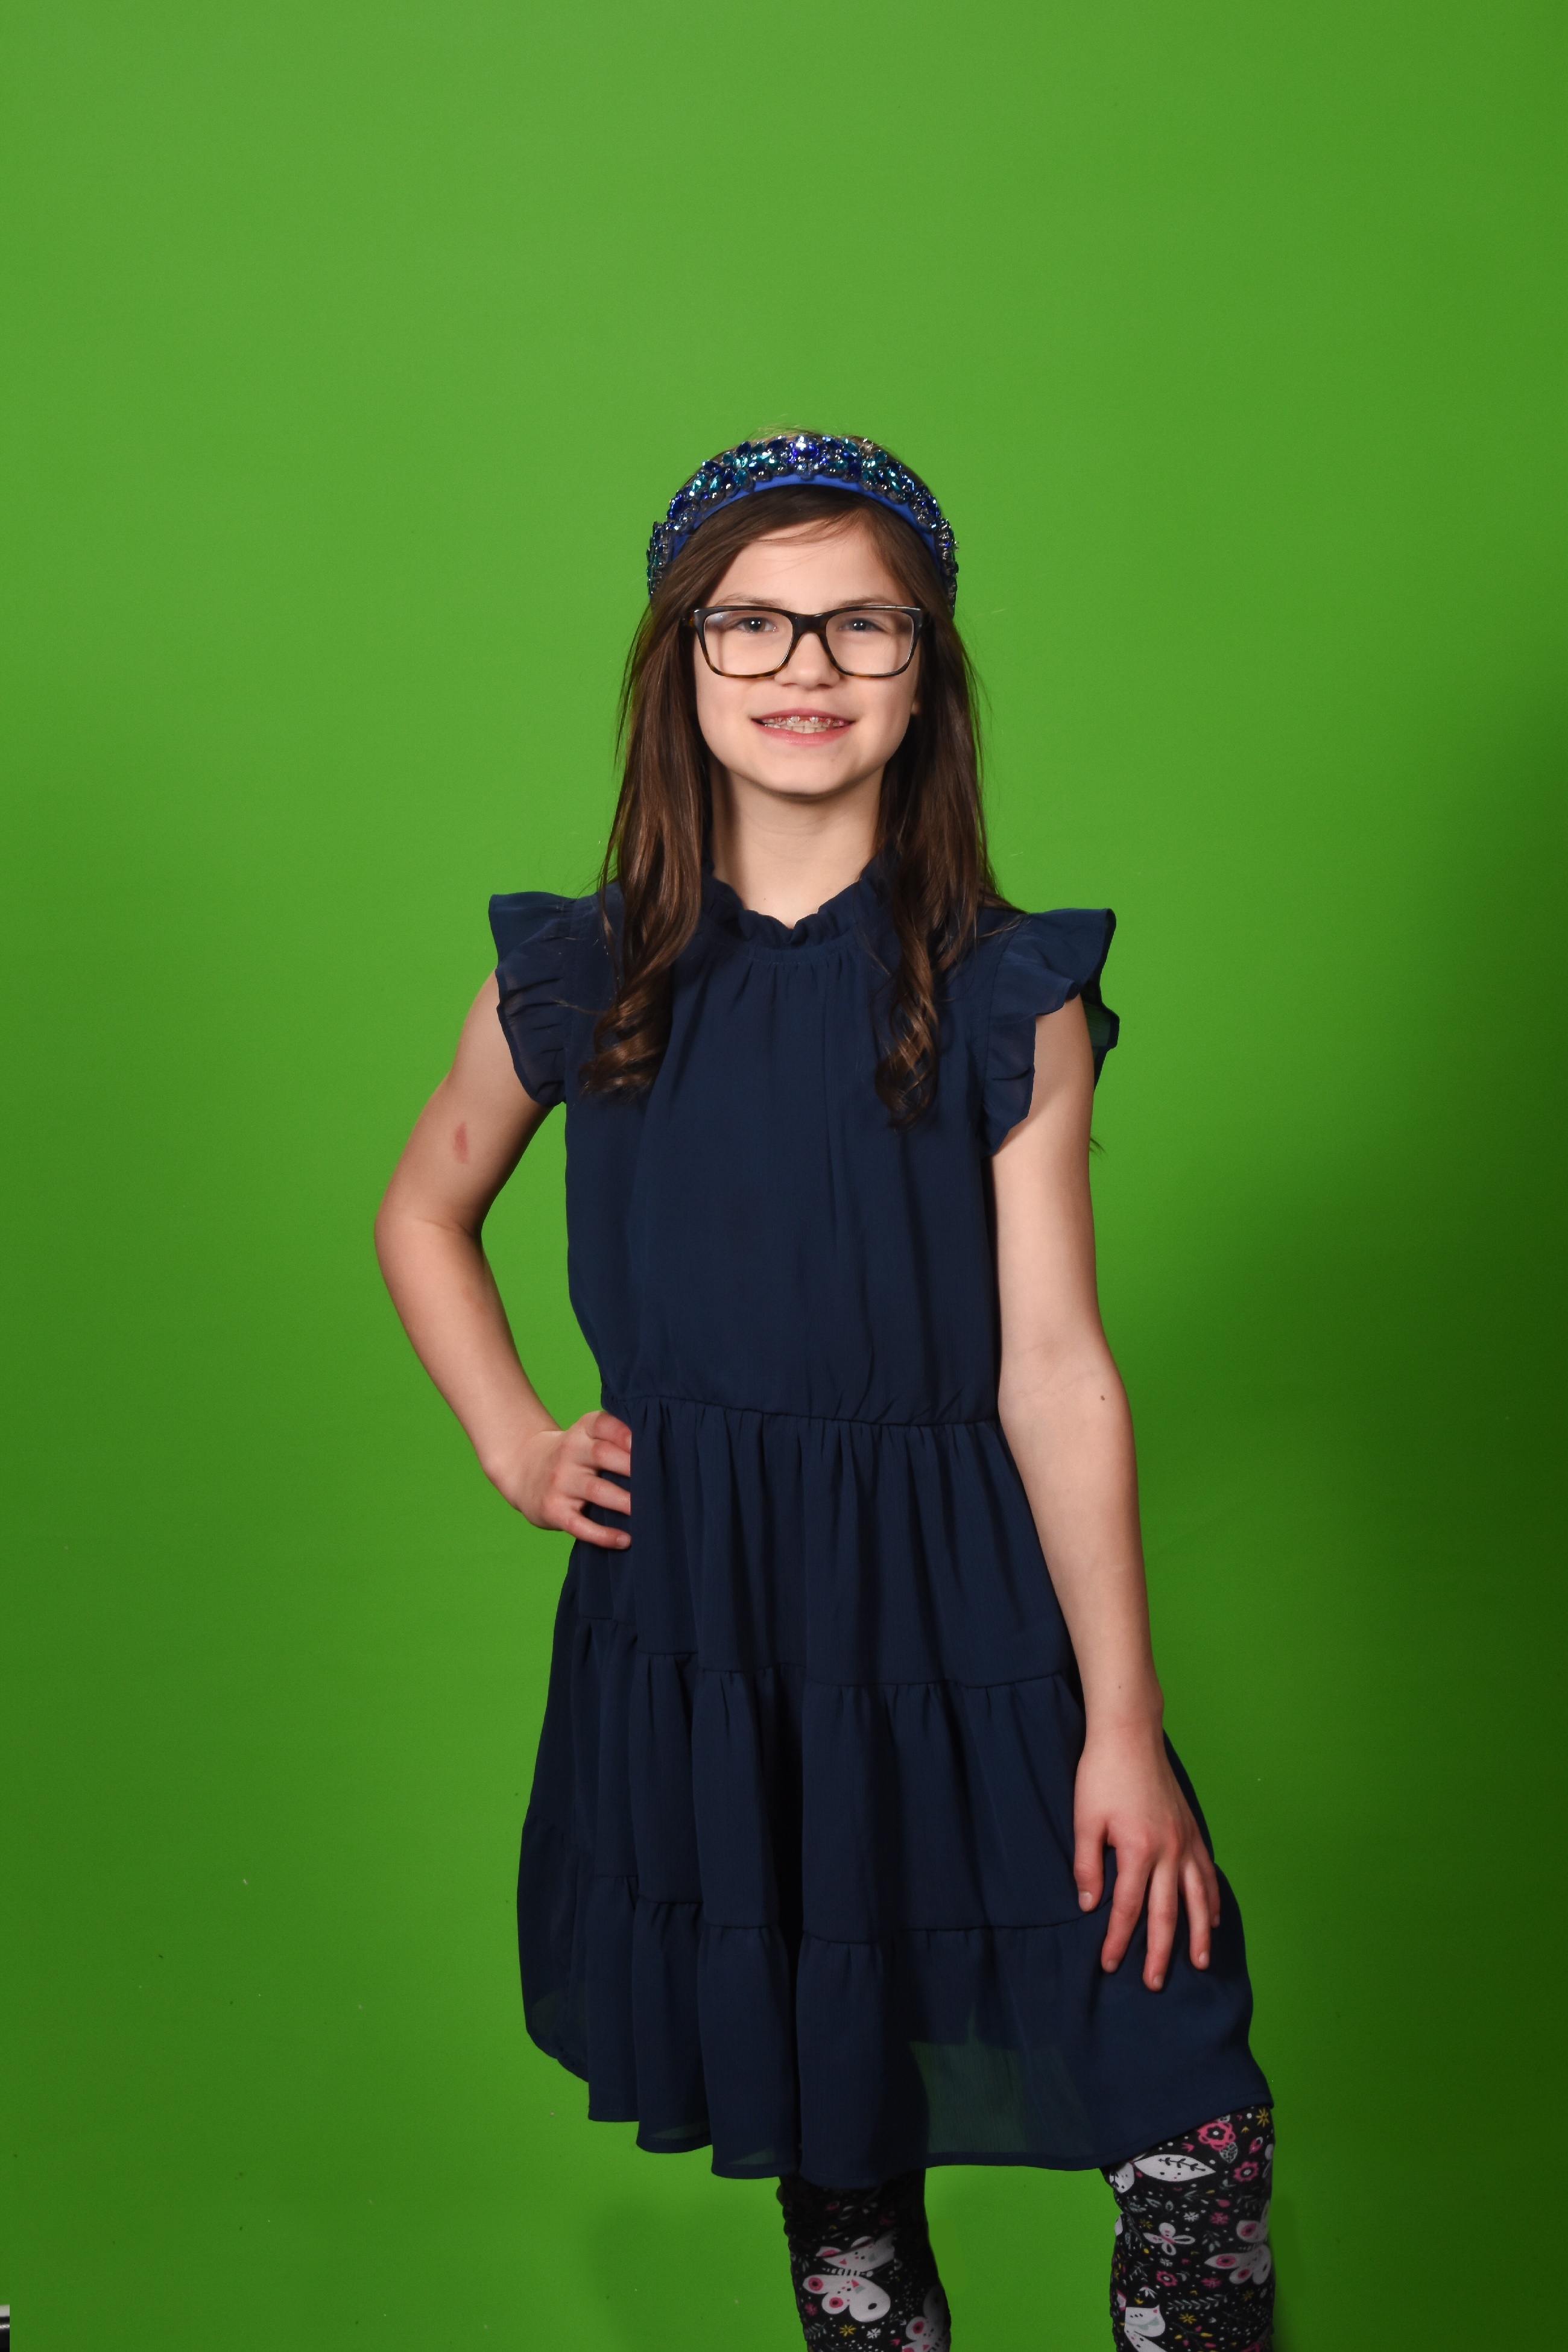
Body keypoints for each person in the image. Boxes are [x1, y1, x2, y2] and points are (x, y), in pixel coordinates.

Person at [375, 432, 1275, 2350]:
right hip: (719, 1612)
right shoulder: (583, 973)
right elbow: (422, 1208)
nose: (807, 662)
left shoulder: (1009, 994)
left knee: (1192, 2123)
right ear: (681, 664)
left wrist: (1123, 1722)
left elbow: (1056, 1367)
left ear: (926, 673)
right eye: (757, 622)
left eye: (864, 624)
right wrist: (517, 1438)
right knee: (839, 2127)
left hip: (977, 1612)